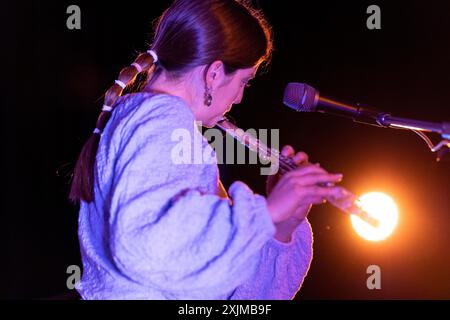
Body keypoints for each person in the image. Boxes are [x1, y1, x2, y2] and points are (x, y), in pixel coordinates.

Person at [69, 0, 346, 300]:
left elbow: (230, 294)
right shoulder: (162, 120)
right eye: (244, 82)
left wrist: (282, 223)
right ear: (214, 74)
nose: (239, 98)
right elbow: (144, 244)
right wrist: (268, 211)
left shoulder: (151, 123)